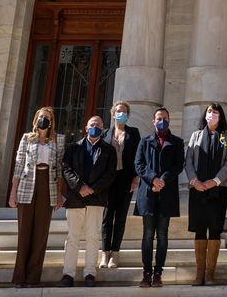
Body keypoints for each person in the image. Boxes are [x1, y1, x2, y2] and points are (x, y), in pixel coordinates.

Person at [10, 106, 63, 288]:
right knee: (24, 232)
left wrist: (59, 194)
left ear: (51, 122)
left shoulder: (58, 140)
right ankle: (19, 277)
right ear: (35, 120)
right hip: (27, 185)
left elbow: (60, 169)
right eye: (41, 117)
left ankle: (33, 277)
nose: (43, 120)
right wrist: (12, 193)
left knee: (40, 233)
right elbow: (18, 165)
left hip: (47, 185)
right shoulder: (26, 138)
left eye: (47, 117)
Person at [60, 116, 116, 288]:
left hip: (96, 199)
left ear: (103, 128)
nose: (95, 127)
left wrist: (93, 188)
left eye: (99, 125)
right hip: (76, 198)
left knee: (93, 237)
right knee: (73, 237)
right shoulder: (72, 147)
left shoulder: (109, 150)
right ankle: (68, 274)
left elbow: (110, 174)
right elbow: (66, 169)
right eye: (92, 125)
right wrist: (80, 187)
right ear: (86, 128)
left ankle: (90, 273)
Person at [134, 107, 184, 288]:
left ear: (169, 120)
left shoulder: (177, 142)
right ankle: (146, 273)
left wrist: (162, 180)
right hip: (147, 193)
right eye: (158, 118)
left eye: (165, 118)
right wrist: (153, 179)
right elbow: (138, 164)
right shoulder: (145, 141)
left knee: (162, 234)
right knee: (148, 234)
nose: (162, 121)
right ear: (153, 121)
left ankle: (158, 273)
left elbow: (178, 165)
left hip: (167, 193)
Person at [184, 104, 227, 286]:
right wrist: (194, 181)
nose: (212, 114)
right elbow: (188, 161)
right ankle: (199, 274)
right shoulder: (195, 135)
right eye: (209, 112)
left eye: (215, 112)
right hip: (197, 189)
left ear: (221, 116)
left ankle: (210, 274)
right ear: (205, 115)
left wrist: (215, 181)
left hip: (217, 190)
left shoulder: (226, 136)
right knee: (199, 229)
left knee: (214, 229)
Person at [101, 102, 141, 270]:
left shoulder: (134, 133)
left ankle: (115, 253)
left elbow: (139, 157)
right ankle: (105, 253)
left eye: (124, 112)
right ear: (113, 114)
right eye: (118, 111)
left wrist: (136, 179)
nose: (121, 114)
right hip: (109, 181)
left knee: (121, 217)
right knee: (107, 218)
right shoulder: (105, 134)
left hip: (126, 180)